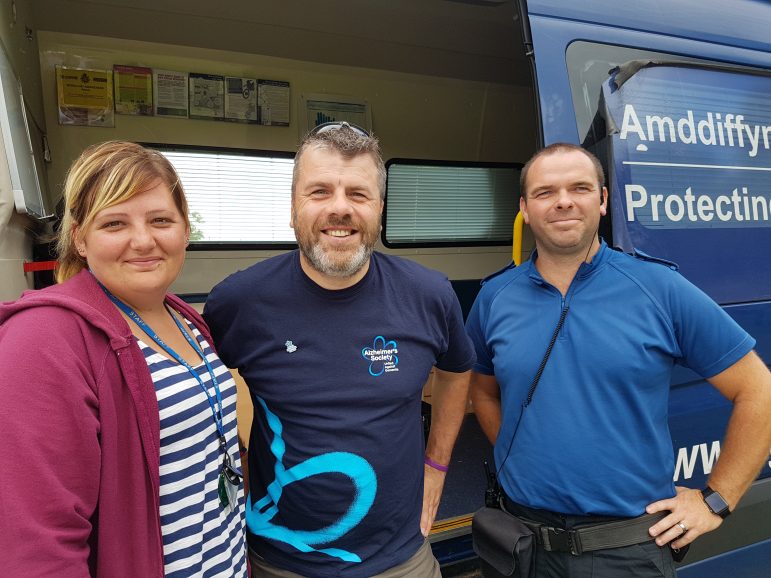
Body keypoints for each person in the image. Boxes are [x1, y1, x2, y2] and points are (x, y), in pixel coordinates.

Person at [465, 143, 771, 577]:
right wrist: (524, 457)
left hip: (625, 551)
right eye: (545, 192)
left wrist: (716, 500)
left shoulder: (659, 287)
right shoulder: (495, 296)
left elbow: (758, 389)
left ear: (604, 200)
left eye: (580, 187)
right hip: (521, 544)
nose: (564, 201)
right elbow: (483, 392)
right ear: (525, 209)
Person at [204, 122, 475, 578]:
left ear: (379, 210)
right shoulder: (238, 302)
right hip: (278, 562)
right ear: (293, 208)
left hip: (401, 559)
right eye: (319, 191)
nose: (339, 208)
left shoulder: (429, 295)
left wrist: (436, 465)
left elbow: (457, 371)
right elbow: (197, 395)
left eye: (358, 194)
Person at [0, 141, 247, 577]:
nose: (142, 240)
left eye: (160, 220)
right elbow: (38, 546)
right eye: (114, 223)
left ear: (185, 230)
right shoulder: (43, 340)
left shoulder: (184, 317)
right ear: (79, 237)